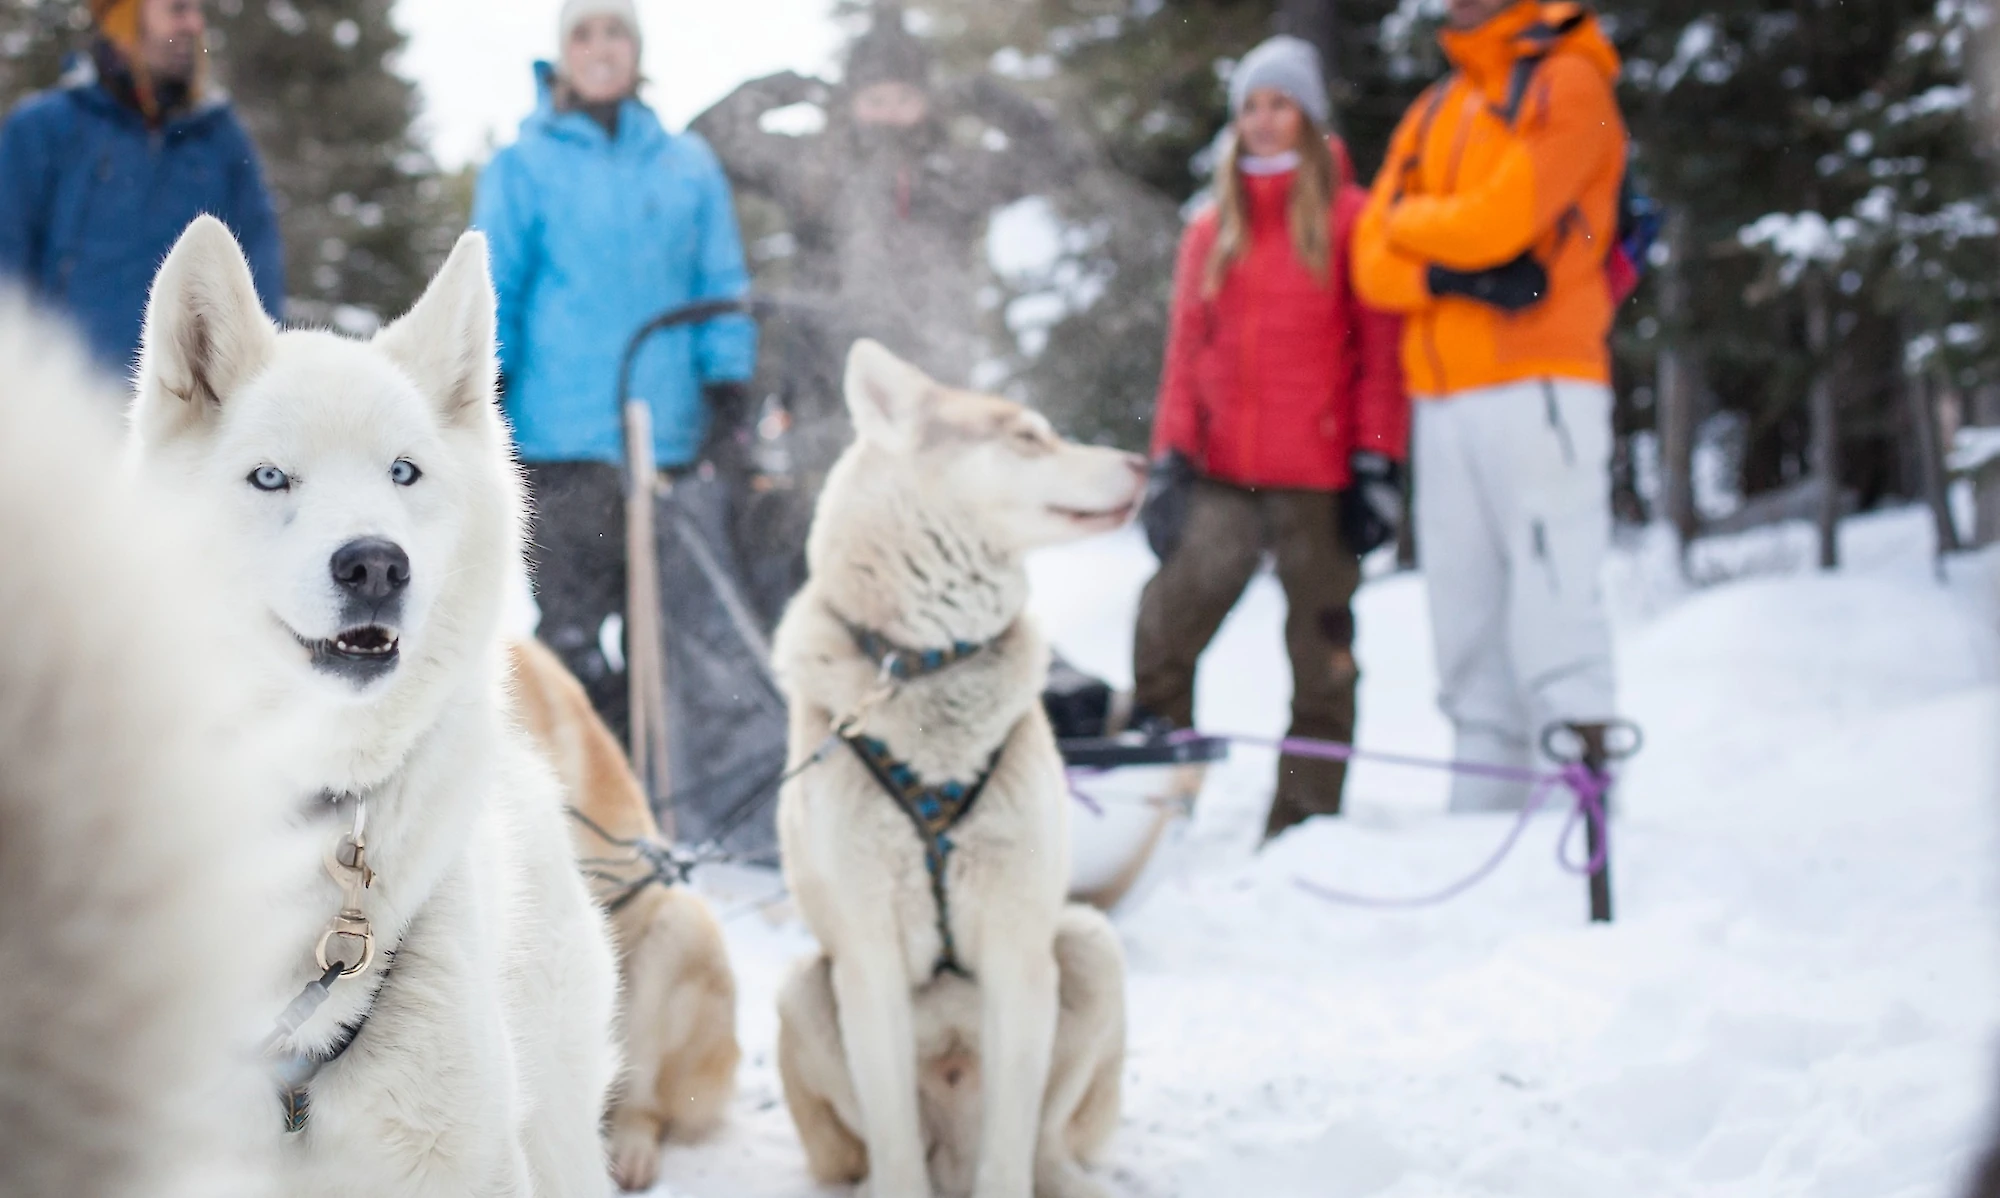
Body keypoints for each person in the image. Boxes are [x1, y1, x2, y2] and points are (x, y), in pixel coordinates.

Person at [1353, 0, 1628, 811]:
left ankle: (1586, 816)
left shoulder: (1571, 82)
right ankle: (1483, 809)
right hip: (1441, 395)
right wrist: (1444, 274)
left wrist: (1413, 226)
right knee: (1463, 614)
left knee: (1555, 598)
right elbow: (1370, 257)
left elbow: (1505, 219)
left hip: (1541, 380)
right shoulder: (1436, 106)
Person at [1134, 35, 1408, 841]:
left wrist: (1377, 461)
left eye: (1279, 104)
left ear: (1308, 115)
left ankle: (1306, 818)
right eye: (1251, 105)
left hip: (1320, 477)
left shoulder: (1352, 220)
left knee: (1322, 653)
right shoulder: (1211, 229)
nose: (1263, 120)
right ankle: (1160, 804)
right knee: (1163, 628)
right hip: (1220, 473)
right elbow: (1183, 356)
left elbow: (1379, 357)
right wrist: (1168, 462)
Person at [474, 0, 757, 747]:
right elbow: (494, 283)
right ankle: (577, 797)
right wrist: (487, 382)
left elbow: (720, 282)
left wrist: (728, 386)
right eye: (584, 34)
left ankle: (664, 796)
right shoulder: (523, 165)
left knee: (663, 635)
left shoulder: (686, 163)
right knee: (571, 634)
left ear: (637, 50)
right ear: (562, 54)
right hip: (561, 439)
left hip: (667, 440)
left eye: (616, 33)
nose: (601, 49)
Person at [0, 0, 284, 375]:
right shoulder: (41, 130)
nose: (194, 24)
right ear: (124, 21)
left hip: (183, 414)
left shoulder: (222, 140)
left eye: (198, 11)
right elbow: (8, 282)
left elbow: (260, 286)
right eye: (178, 8)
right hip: (64, 404)